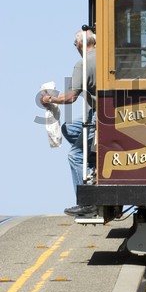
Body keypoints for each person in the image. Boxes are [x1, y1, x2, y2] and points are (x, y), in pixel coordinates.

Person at [40, 29, 97, 217]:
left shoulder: (83, 63)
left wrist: (50, 100)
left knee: (74, 155)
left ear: (80, 44)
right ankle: (93, 159)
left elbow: (71, 97)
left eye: (75, 44)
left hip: (100, 119)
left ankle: (87, 203)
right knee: (69, 128)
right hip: (105, 115)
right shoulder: (104, 57)